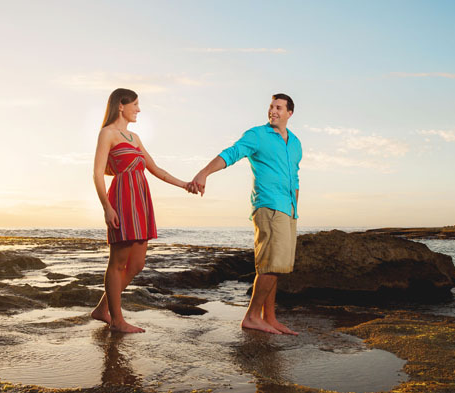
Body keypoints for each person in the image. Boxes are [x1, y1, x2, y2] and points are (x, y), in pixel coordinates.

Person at [191, 94, 302, 335]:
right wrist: (204, 173)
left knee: (275, 265)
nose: (273, 111)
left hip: (288, 209)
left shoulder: (295, 143)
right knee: (271, 264)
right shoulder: (257, 135)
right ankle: (252, 316)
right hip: (269, 205)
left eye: (278, 107)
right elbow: (232, 153)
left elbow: (294, 176)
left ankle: (269, 317)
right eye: (271, 106)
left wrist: (295, 208)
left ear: (289, 113)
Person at [91, 88, 195, 333]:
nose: (138, 109)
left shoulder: (134, 137)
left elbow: (156, 169)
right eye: (135, 104)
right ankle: (117, 320)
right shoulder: (107, 133)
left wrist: (185, 185)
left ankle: (102, 309)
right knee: (117, 263)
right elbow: (97, 173)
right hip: (121, 199)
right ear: (121, 106)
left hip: (140, 201)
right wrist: (107, 207)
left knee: (137, 264)